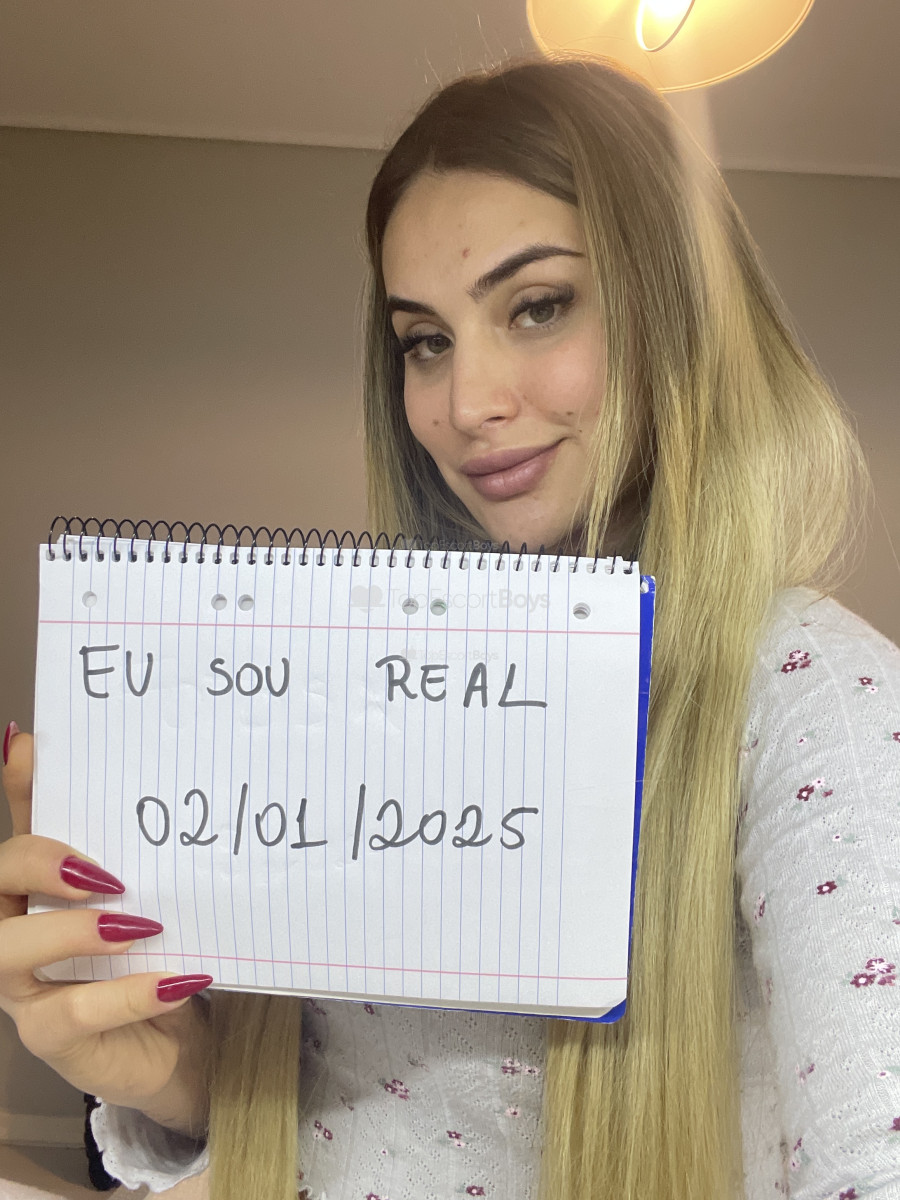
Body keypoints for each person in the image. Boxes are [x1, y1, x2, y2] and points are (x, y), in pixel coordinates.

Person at [2, 54, 899, 1200]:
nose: (465, 404)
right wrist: (177, 1075)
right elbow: (356, 1130)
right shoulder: (367, 682)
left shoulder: (811, 696)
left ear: (681, 313)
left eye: (538, 306)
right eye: (425, 339)